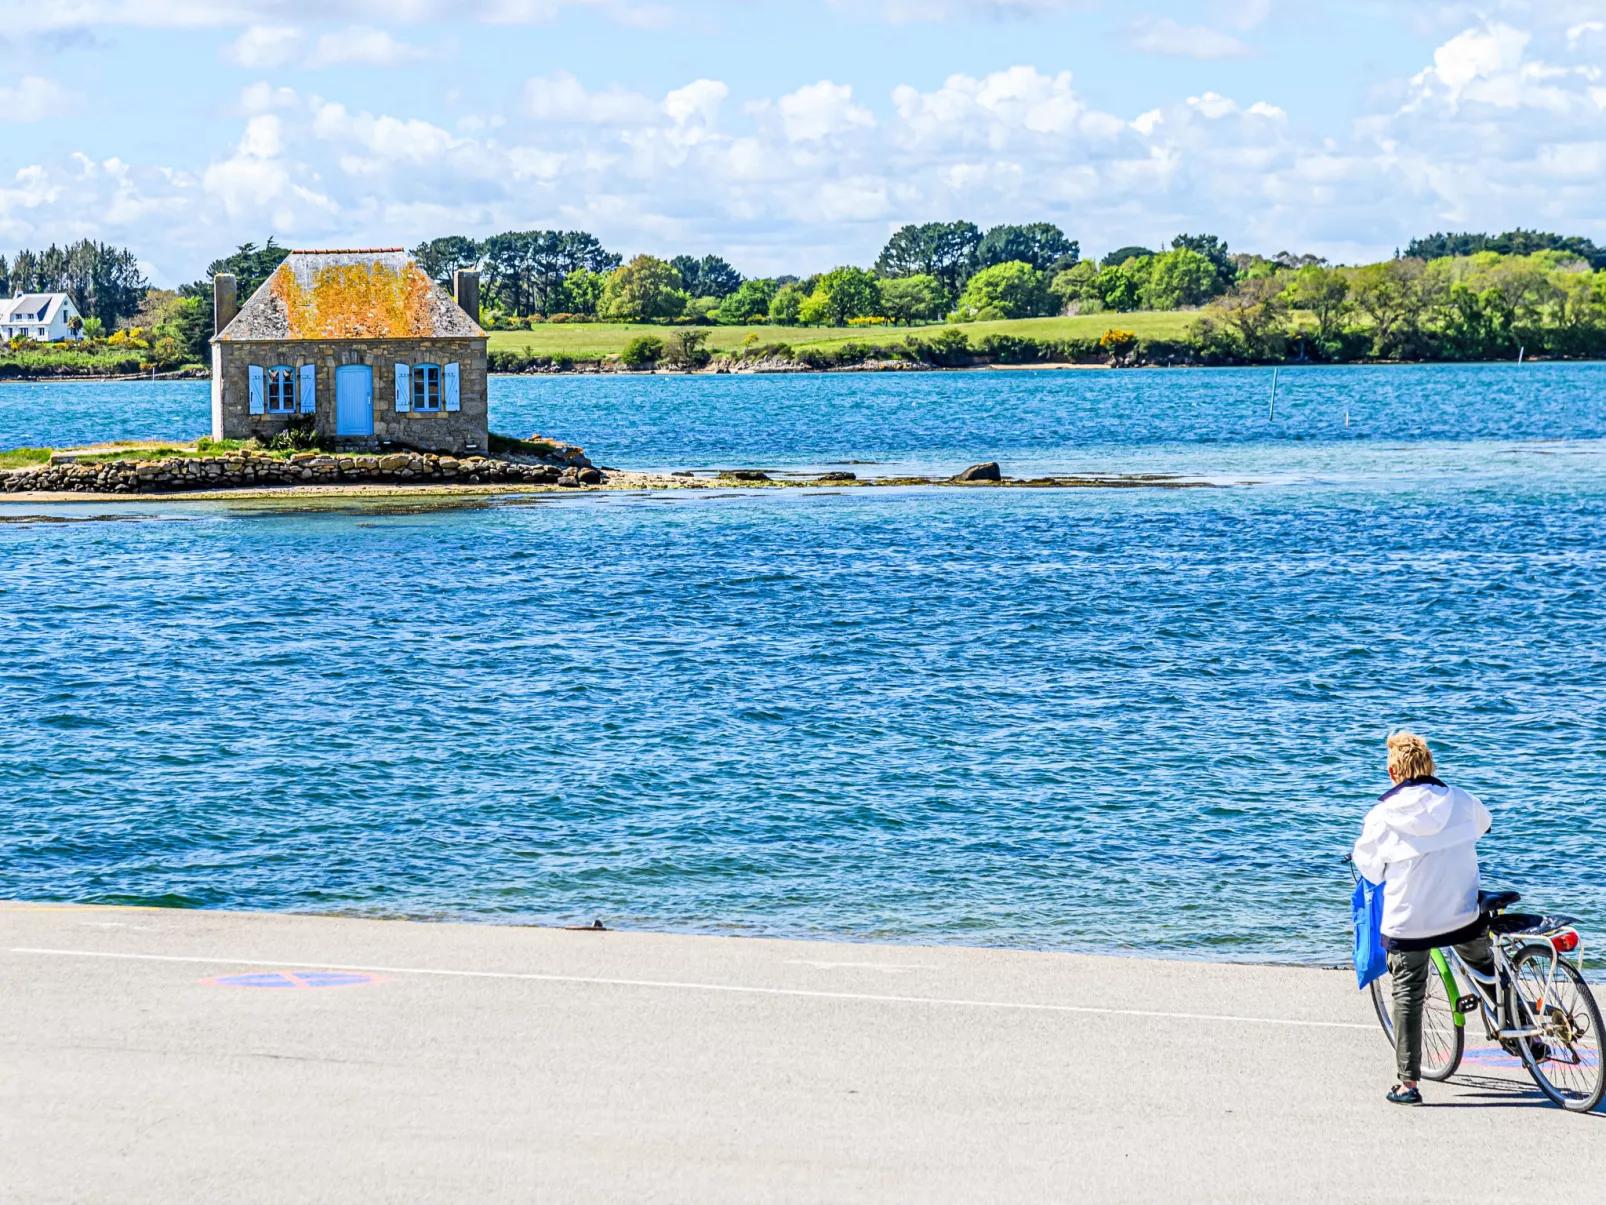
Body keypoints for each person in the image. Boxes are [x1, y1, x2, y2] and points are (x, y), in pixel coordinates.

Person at [1352, 731, 1492, 1105]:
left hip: (1410, 924)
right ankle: (1523, 1034)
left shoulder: (1382, 816)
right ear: (1429, 765)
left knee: (1408, 993)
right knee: (1485, 967)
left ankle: (1408, 1085)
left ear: (1394, 771)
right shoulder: (1462, 800)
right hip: (1461, 914)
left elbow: (1371, 871)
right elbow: (1485, 824)